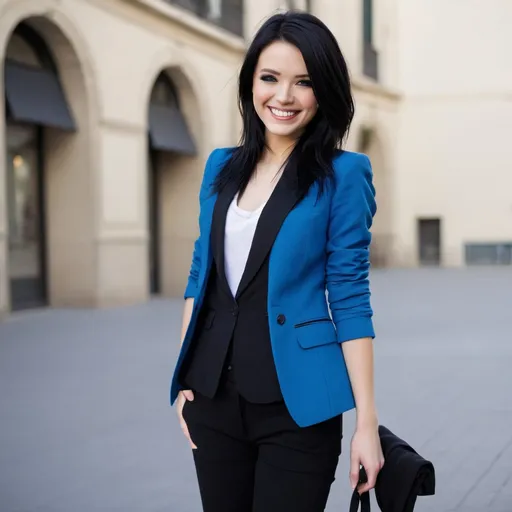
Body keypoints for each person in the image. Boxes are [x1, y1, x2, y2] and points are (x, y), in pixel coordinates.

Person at [169, 10, 384, 512]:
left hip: (299, 407)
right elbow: (200, 275)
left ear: (324, 91)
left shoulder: (343, 175)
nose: (283, 97)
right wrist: (183, 377)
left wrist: (366, 424)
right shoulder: (221, 166)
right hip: (213, 401)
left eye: (303, 82)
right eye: (270, 78)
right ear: (251, 84)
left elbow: (350, 297)